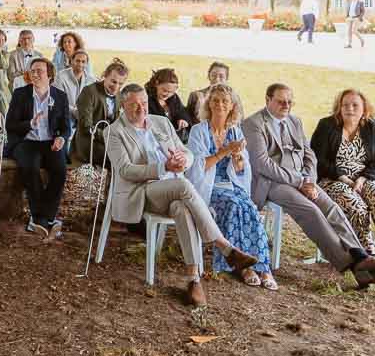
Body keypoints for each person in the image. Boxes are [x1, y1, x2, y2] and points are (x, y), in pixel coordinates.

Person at [103, 84, 259, 306]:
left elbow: (187, 152)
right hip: (142, 191)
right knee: (184, 187)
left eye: (144, 103)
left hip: (171, 187)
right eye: (134, 105)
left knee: (182, 208)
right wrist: (163, 167)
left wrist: (183, 160)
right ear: (122, 106)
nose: (141, 108)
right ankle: (225, 246)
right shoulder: (113, 131)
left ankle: (193, 280)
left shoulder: (161, 122)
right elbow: (125, 170)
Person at [242, 84, 375, 288]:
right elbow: (262, 164)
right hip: (272, 182)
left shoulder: (294, 121)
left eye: (290, 101)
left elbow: (310, 155)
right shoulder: (253, 124)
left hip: (303, 180)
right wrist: (300, 181)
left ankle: (361, 256)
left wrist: (309, 179)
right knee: (311, 211)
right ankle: (353, 266)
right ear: (268, 100)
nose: (286, 105)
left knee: (331, 207)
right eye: (280, 101)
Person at [310, 89, 375, 276]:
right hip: (334, 178)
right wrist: (344, 178)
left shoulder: (372, 127)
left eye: (355, 105)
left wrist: (362, 178)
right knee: (356, 205)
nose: (350, 108)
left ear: (364, 108)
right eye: (345, 105)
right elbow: (317, 159)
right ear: (339, 107)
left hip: (365, 176)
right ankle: (368, 255)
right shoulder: (326, 125)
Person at [187, 84, 277, 290]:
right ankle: (244, 268)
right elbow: (197, 168)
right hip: (207, 188)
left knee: (249, 207)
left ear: (232, 107)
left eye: (224, 101)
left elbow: (241, 171)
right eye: (215, 100)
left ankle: (263, 267)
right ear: (208, 104)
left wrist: (237, 158)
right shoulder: (198, 131)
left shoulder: (236, 131)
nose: (219, 104)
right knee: (234, 204)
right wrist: (223, 152)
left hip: (231, 186)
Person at [4, 58, 71, 239]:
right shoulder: (20, 94)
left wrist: (61, 138)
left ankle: (44, 217)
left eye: (39, 71)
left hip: (50, 142)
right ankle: (41, 217)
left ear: (49, 75)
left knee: (60, 170)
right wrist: (30, 123)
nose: (35, 74)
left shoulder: (60, 96)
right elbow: (10, 125)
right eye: (32, 71)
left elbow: (66, 126)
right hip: (26, 141)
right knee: (30, 167)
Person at [71, 59, 129, 166]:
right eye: (113, 81)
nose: (116, 87)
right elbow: (86, 126)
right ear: (105, 75)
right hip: (89, 142)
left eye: (120, 83)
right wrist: (110, 138)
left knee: (130, 153)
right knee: (119, 159)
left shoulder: (119, 95)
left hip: (108, 141)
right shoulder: (89, 92)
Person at [146, 68, 195, 141]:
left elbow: (182, 111)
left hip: (176, 139)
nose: (167, 94)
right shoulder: (146, 99)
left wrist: (183, 119)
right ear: (156, 84)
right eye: (164, 90)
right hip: (156, 140)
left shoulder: (174, 98)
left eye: (171, 92)